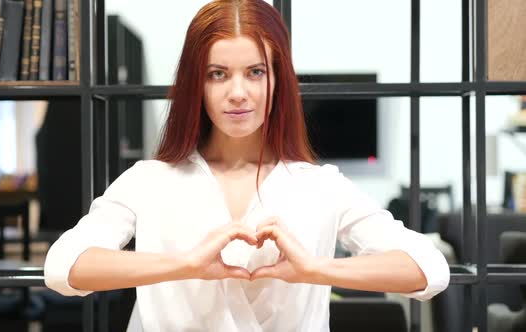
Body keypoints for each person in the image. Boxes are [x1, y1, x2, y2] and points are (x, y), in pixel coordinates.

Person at [44, 0, 450, 331]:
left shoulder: (321, 186)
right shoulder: (149, 181)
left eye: (255, 72)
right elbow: (63, 265)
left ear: (278, 80)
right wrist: (184, 265)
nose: (238, 93)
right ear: (195, 85)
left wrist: (315, 269)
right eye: (218, 75)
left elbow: (428, 269)